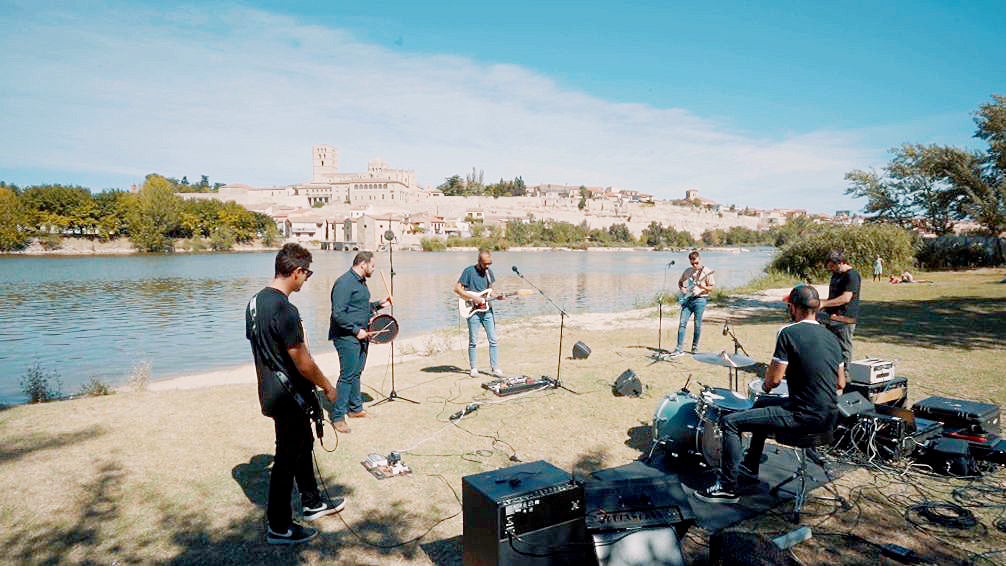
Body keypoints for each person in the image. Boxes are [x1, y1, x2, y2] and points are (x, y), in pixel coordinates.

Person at [695, 284, 845, 504]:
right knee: (763, 404)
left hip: (802, 417)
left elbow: (773, 381)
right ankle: (750, 465)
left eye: (789, 306)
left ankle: (727, 487)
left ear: (794, 308)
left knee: (730, 422)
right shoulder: (832, 337)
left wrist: (766, 385)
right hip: (830, 417)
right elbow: (840, 382)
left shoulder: (788, 332)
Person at [245, 243, 346, 545]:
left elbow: (264, 350)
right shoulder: (284, 309)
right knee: (287, 457)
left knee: (303, 444)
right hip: (290, 396)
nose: (307, 280)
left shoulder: (254, 303)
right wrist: (328, 386)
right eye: (308, 274)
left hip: (271, 392)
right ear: (297, 271)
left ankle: (312, 502)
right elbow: (301, 359)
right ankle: (279, 526)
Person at [328, 251, 392, 433]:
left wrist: (379, 305)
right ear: (362, 264)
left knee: (356, 373)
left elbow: (361, 308)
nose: (374, 268)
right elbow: (338, 313)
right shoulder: (344, 282)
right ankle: (338, 416)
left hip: (363, 334)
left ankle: (355, 409)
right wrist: (356, 330)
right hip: (346, 336)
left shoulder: (361, 282)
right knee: (347, 375)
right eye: (372, 265)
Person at [454, 248, 504, 378]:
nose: (487, 266)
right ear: (479, 261)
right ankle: (474, 368)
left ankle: (495, 368)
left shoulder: (489, 272)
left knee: (493, 339)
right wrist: (473, 298)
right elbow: (457, 288)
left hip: (487, 310)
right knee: (473, 341)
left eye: (489, 263)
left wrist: (497, 296)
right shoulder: (468, 271)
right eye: (485, 264)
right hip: (473, 311)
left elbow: (490, 291)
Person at [818, 250, 860, 367]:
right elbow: (833, 296)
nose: (830, 269)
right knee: (828, 345)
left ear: (841, 262)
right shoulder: (836, 275)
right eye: (829, 267)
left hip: (845, 319)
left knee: (843, 348)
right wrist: (823, 308)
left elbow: (846, 298)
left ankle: (845, 375)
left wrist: (824, 304)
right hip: (831, 317)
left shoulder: (852, 275)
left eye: (832, 266)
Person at [671, 251, 715, 356]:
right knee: (682, 323)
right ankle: (678, 348)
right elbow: (680, 282)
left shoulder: (707, 271)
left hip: (700, 300)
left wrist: (702, 286)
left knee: (697, 324)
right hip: (688, 300)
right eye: (692, 263)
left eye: (696, 263)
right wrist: (682, 289)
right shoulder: (688, 271)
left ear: (699, 259)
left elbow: (711, 288)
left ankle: (695, 347)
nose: (694, 265)